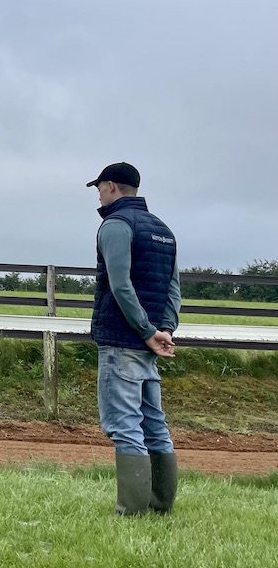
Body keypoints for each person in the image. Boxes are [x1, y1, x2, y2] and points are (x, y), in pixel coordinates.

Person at [87, 162, 181, 516]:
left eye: (98, 187)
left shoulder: (115, 225)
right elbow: (173, 288)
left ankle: (131, 510)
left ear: (111, 186)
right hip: (150, 341)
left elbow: (120, 284)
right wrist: (165, 329)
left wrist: (145, 330)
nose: (97, 194)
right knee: (154, 424)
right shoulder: (164, 230)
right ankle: (160, 505)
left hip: (123, 340)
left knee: (124, 424)